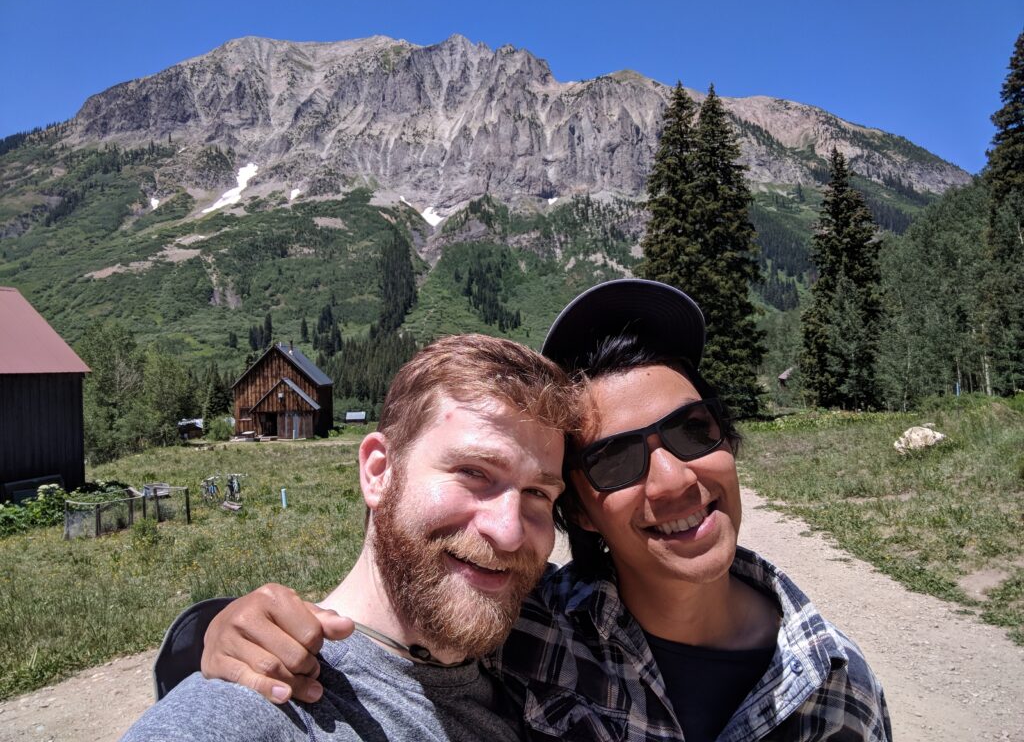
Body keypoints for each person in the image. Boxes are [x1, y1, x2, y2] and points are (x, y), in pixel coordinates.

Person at [159, 279, 893, 741]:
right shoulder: (534, 630)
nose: (672, 480)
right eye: (616, 460)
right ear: (585, 512)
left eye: (693, 431)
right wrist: (210, 633)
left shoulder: (840, 689)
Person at [121, 334, 580, 741]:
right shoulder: (261, 704)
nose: (509, 531)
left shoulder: (531, 657)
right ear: (379, 473)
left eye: (538, 493)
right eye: (474, 472)